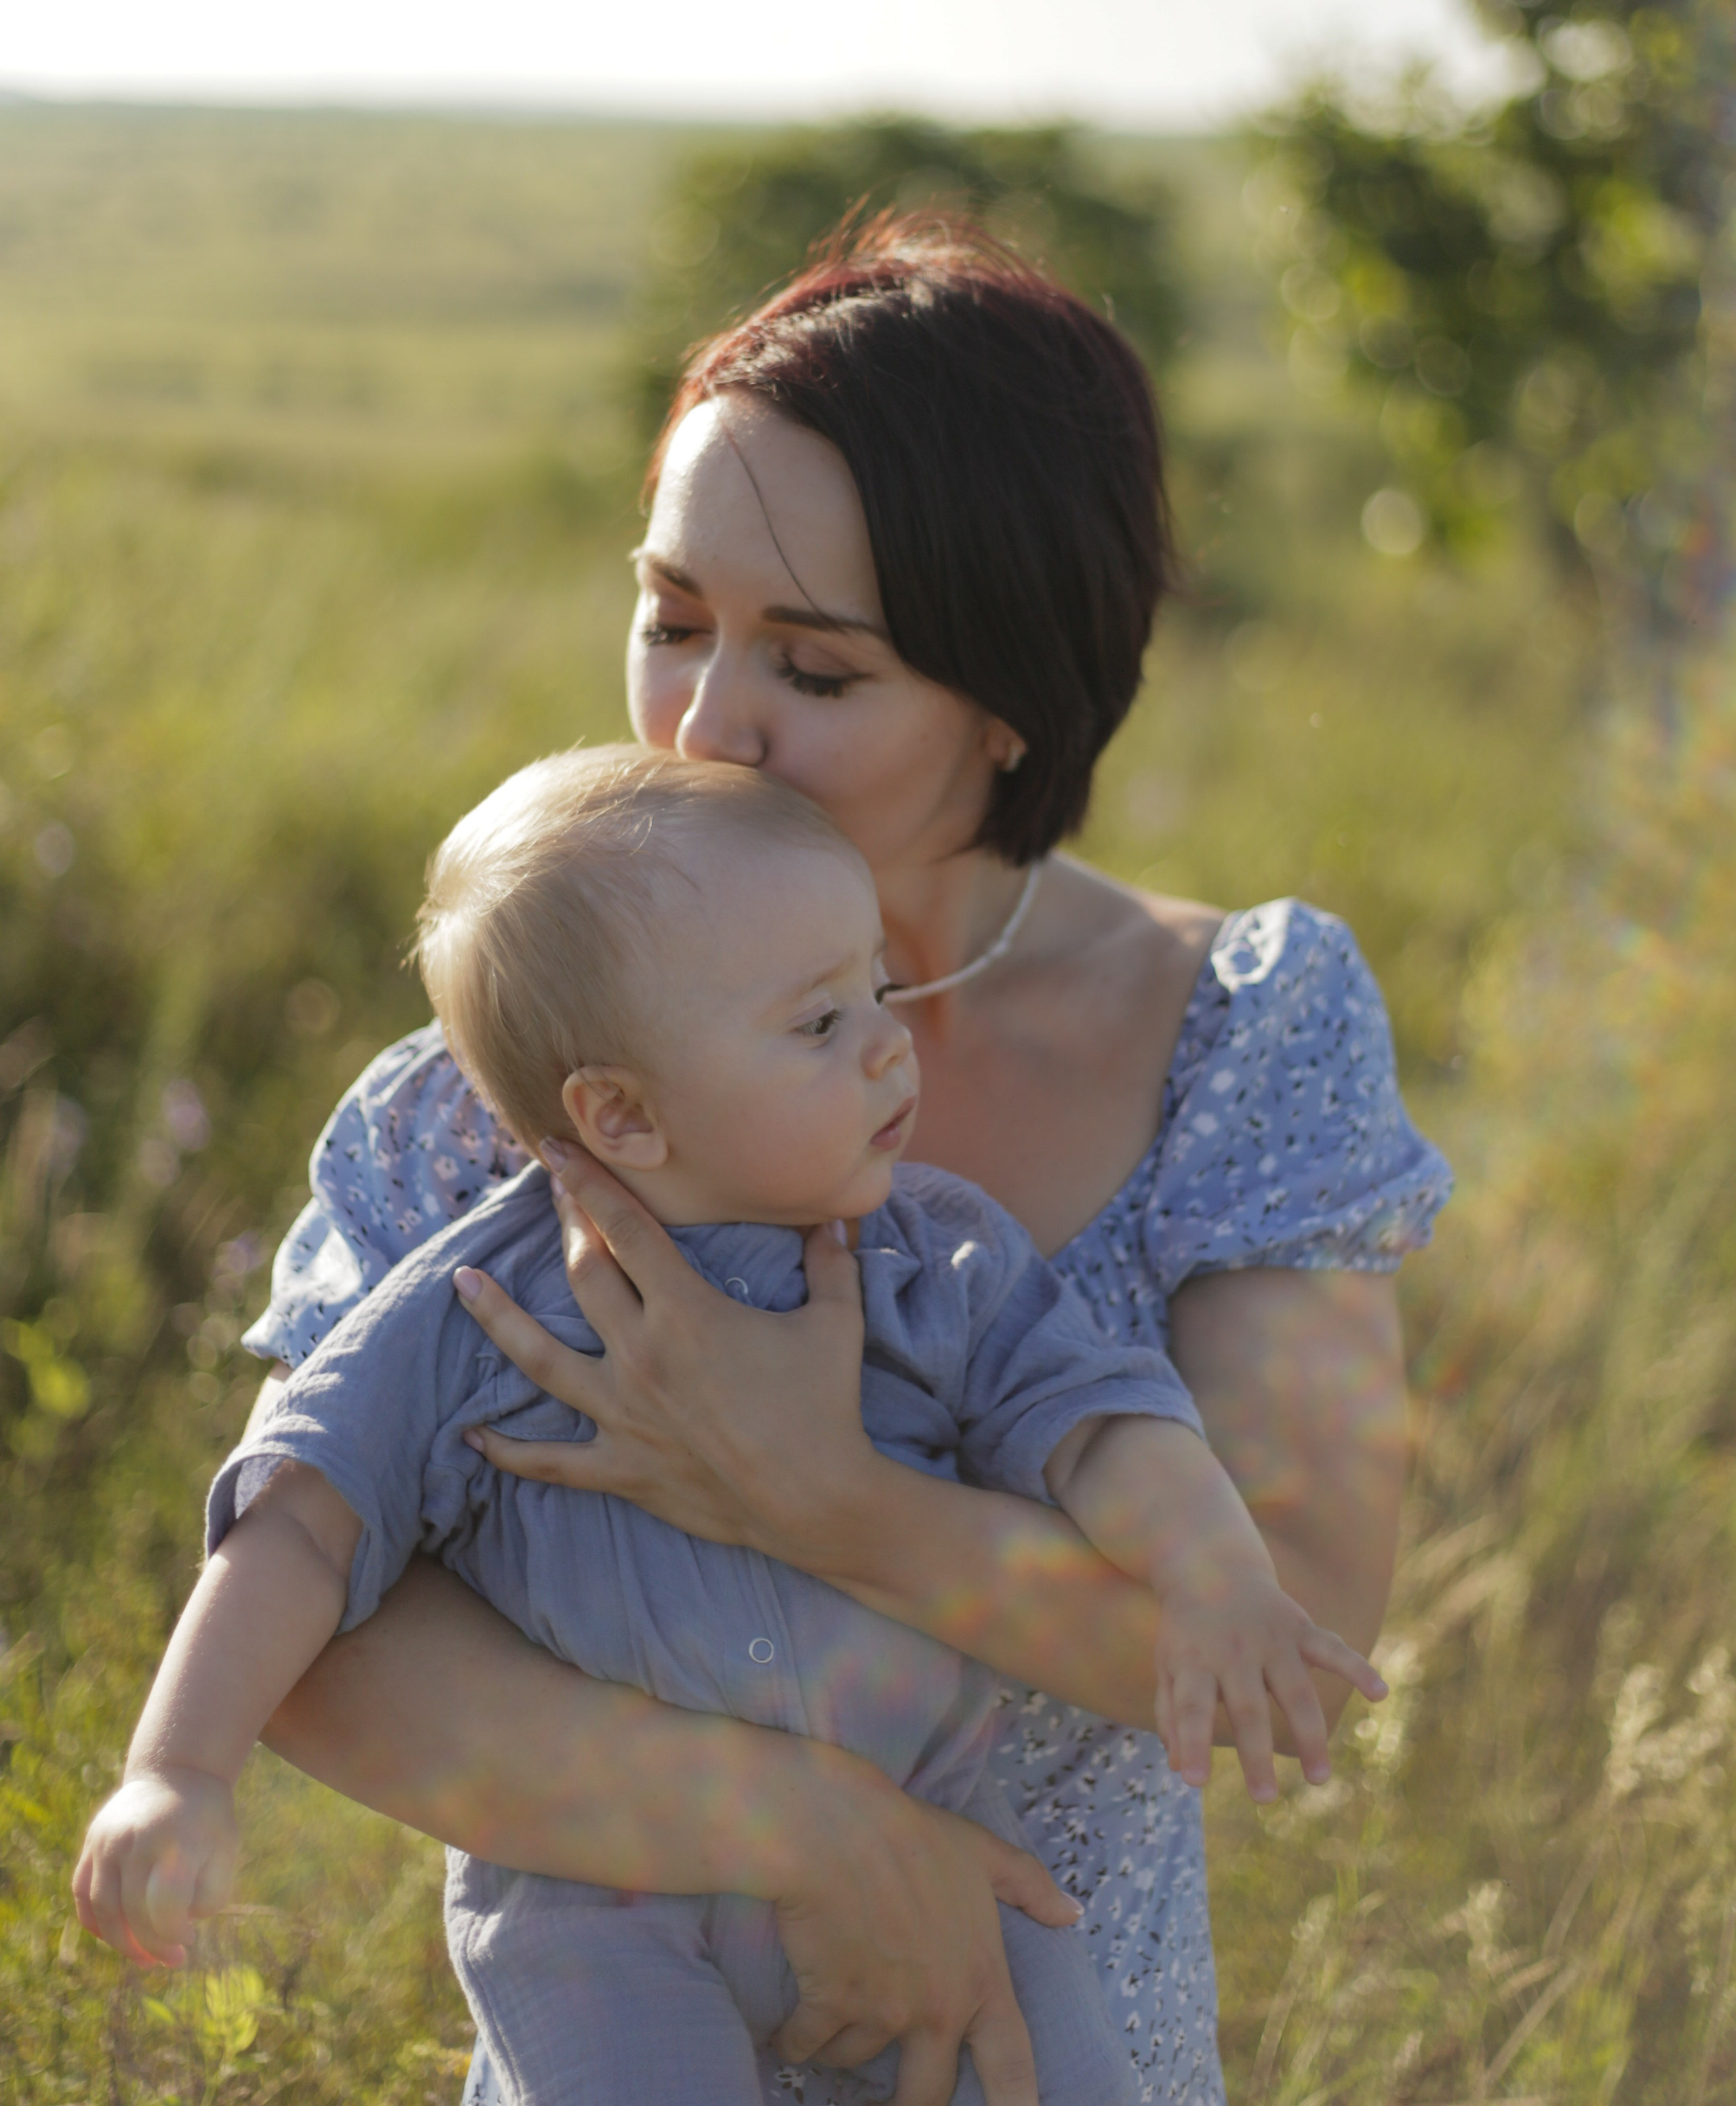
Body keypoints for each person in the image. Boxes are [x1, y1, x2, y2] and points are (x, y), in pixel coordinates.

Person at [175, 216, 1448, 2106]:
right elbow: (318, 1642)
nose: (702, 723)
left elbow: (1296, 1624)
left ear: (1009, 697)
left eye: (819, 668)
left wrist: (822, 1495)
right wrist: (814, 1831)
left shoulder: (1236, 1028)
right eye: (672, 616)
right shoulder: (503, 1086)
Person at [74, 746, 1385, 2105]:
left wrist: (1215, 1574)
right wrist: (175, 1769)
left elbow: (1103, 1429)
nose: (887, 1039)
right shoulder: (472, 1303)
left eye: (873, 986)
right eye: (817, 1023)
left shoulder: (930, 1259)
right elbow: (294, 1522)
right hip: (603, 1908)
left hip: (946, 1848)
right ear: (621, 1114)